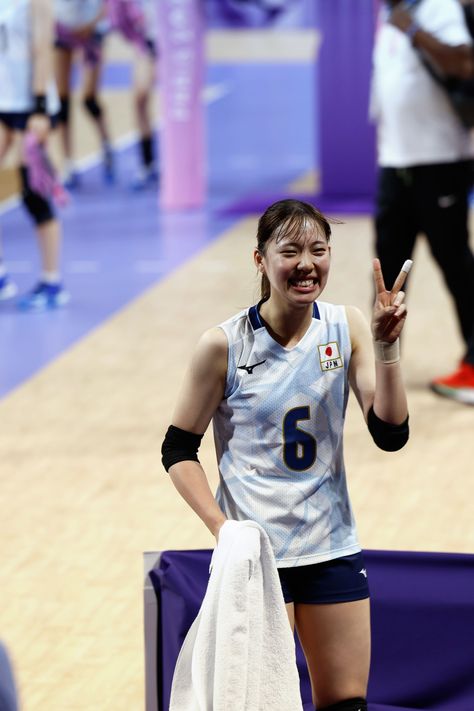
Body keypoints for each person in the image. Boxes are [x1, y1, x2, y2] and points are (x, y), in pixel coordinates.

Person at [161, 199, 410, 711]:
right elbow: (178, 448)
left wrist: (387, 351)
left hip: (331, 546)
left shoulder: (347, 326)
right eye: (290, 250)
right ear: (260, 260)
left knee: (347, 703)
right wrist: (222, 528)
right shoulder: (224, 345)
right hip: (256, 557)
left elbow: (391, 432)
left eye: (318, 250)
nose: (306, 263)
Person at [371, 0, 474, 405]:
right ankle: (381, 365)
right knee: (387, 273)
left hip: (441, 160)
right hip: (395, 163)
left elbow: (463, 65)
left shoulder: (438, 7)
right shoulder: (387, 13)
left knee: (455, 264)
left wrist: (412, 29)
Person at [0, 0, 69, 310]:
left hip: (33, 105)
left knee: (33, 194)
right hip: (5, 101)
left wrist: (40, 108)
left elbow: (43, 49)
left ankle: (52, 282)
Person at [53, 0, 114, 189]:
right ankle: (68, 164)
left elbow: (108, 5)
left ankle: (106, 146)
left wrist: (92, 24)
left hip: (91, 30)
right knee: (62, 101)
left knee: (89, 99)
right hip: (62, 28)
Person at [106, 0, 159, 189]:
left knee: (172, 104)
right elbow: (117, 17)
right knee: (139, 100)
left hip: (173, 43)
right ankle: (148, 163)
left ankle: (175, 163)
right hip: (147, 45)